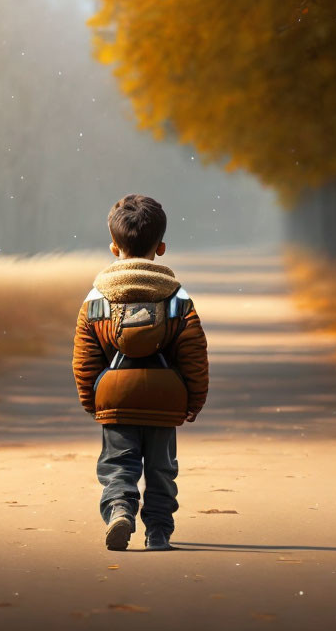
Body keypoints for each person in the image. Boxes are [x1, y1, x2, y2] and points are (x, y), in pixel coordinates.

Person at [72, 194, 209, 551]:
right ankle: (159, 531)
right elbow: (194, 352)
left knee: (118, 462)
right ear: (160, 248)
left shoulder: (97, 299)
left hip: (116, 397)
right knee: (162, 468)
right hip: (166, 400)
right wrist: (194, 399)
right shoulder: (177, 297)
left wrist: (92, 400)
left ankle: (119, 508)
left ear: (114, 247)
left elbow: (85, 358)